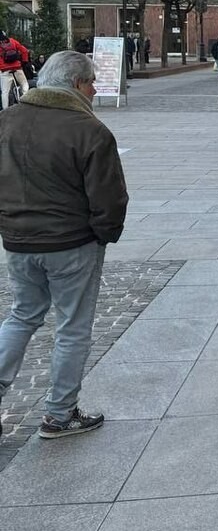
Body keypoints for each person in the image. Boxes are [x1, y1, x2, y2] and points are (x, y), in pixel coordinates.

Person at [0, 50, 128, 439]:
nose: (93, 90)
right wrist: (104, 233)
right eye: (91, 83)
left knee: (22, 316)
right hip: (71, 242)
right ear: (76, 84)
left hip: (20, 241)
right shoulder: (89, 130)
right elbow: (110, 196)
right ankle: (59, 413)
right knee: (73, 327)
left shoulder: (6, 121)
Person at [0, 31, 31, 110]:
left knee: (4, 93)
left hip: (4, 70)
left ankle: (4, 111)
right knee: (25, 86)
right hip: (17, 68)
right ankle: (25, 105)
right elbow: (24, 51)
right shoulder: (12, 41)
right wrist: (24, 62)